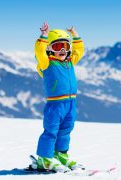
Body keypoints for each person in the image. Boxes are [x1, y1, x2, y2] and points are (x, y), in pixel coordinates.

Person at [34, 22, 84, 171]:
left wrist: (75, 37)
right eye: (57, 46)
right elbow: (39, 52)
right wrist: (43, 36)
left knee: (66, 130)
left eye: (65, 46)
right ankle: (45, 158)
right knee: (51, 130)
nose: (62, 50)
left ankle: (60, 154)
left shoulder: (70, 61)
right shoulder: (46, 63)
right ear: (50, 48)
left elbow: (78, 52)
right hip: (55, 105)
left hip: (70, 103)